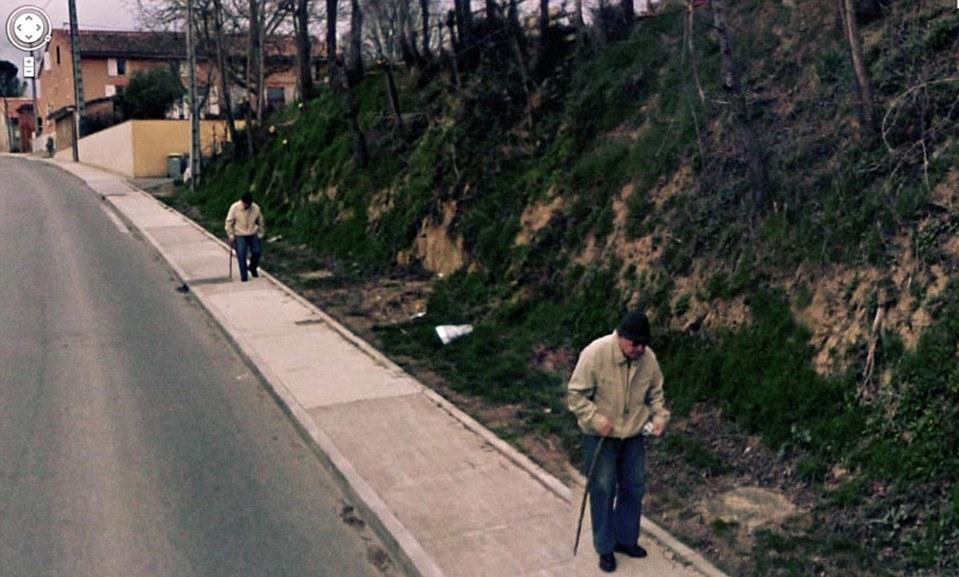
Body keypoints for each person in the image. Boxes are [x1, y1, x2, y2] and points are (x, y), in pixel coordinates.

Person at [567, 310, 669, 573]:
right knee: (603, 489)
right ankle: (605, 547)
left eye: (644, 344)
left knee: (633, 487)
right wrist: (597, 419)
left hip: (633, 435)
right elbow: (576, 397)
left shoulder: (648, 359)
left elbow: (656, 394)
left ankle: (625, 540)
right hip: (600, 436)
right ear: (620, 337)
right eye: (635, 343)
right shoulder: (594, 354)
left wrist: (659, 417)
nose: (640, 349)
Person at [225, 192, 265, 282]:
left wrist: (261, 233)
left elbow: (261, 221)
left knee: (257, 252)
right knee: (241, 254)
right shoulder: (234, 207)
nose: (245, 205)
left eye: (248, 204)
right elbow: (229, 222)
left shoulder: (255, 208)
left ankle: (252, 267)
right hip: (240, 234)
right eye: (244, 203)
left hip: (252, 232)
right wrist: (230, 234)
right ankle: (244, 276)